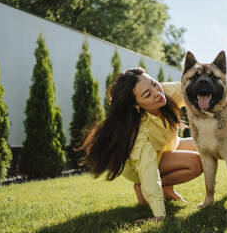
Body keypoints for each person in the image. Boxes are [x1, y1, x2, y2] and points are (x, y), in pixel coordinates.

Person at [78, 68, 202, 222]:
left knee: (206, 144)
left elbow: (195, 88)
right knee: (195, 163)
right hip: (139, 166)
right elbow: (148, 169)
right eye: (147, 94)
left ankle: (166, 189)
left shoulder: (165, 91)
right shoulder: (138, 132)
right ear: (136, 105)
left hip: (165, 148)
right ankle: (144, 189)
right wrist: (159, 215)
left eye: (154, 84)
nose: (157, 93)